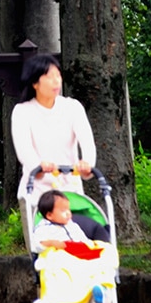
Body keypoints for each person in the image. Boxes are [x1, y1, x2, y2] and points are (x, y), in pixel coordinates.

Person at [11, 54, 96, 249]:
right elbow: (24, 150)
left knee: (75, 243)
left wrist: (87, 164)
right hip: (37, 190)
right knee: (42, 249)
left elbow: (87, 142)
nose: (56, 81)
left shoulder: (72, 108)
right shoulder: (22, 112)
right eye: (49, 76)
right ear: (35, 82)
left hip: (69, 192)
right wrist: (38, 166)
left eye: (58, 75)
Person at [33, 190, 116, 303]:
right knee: (51, 274)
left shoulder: (73, 226)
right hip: (59, 257)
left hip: (77, 255)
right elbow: (37, 245)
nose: (69, 213)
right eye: (63, 210)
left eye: (68, 209)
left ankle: (99, 288)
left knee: (106, 252)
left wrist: (90, 247)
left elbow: (83, 241)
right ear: (49, 215)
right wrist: (51, 243)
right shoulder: (42, 228)